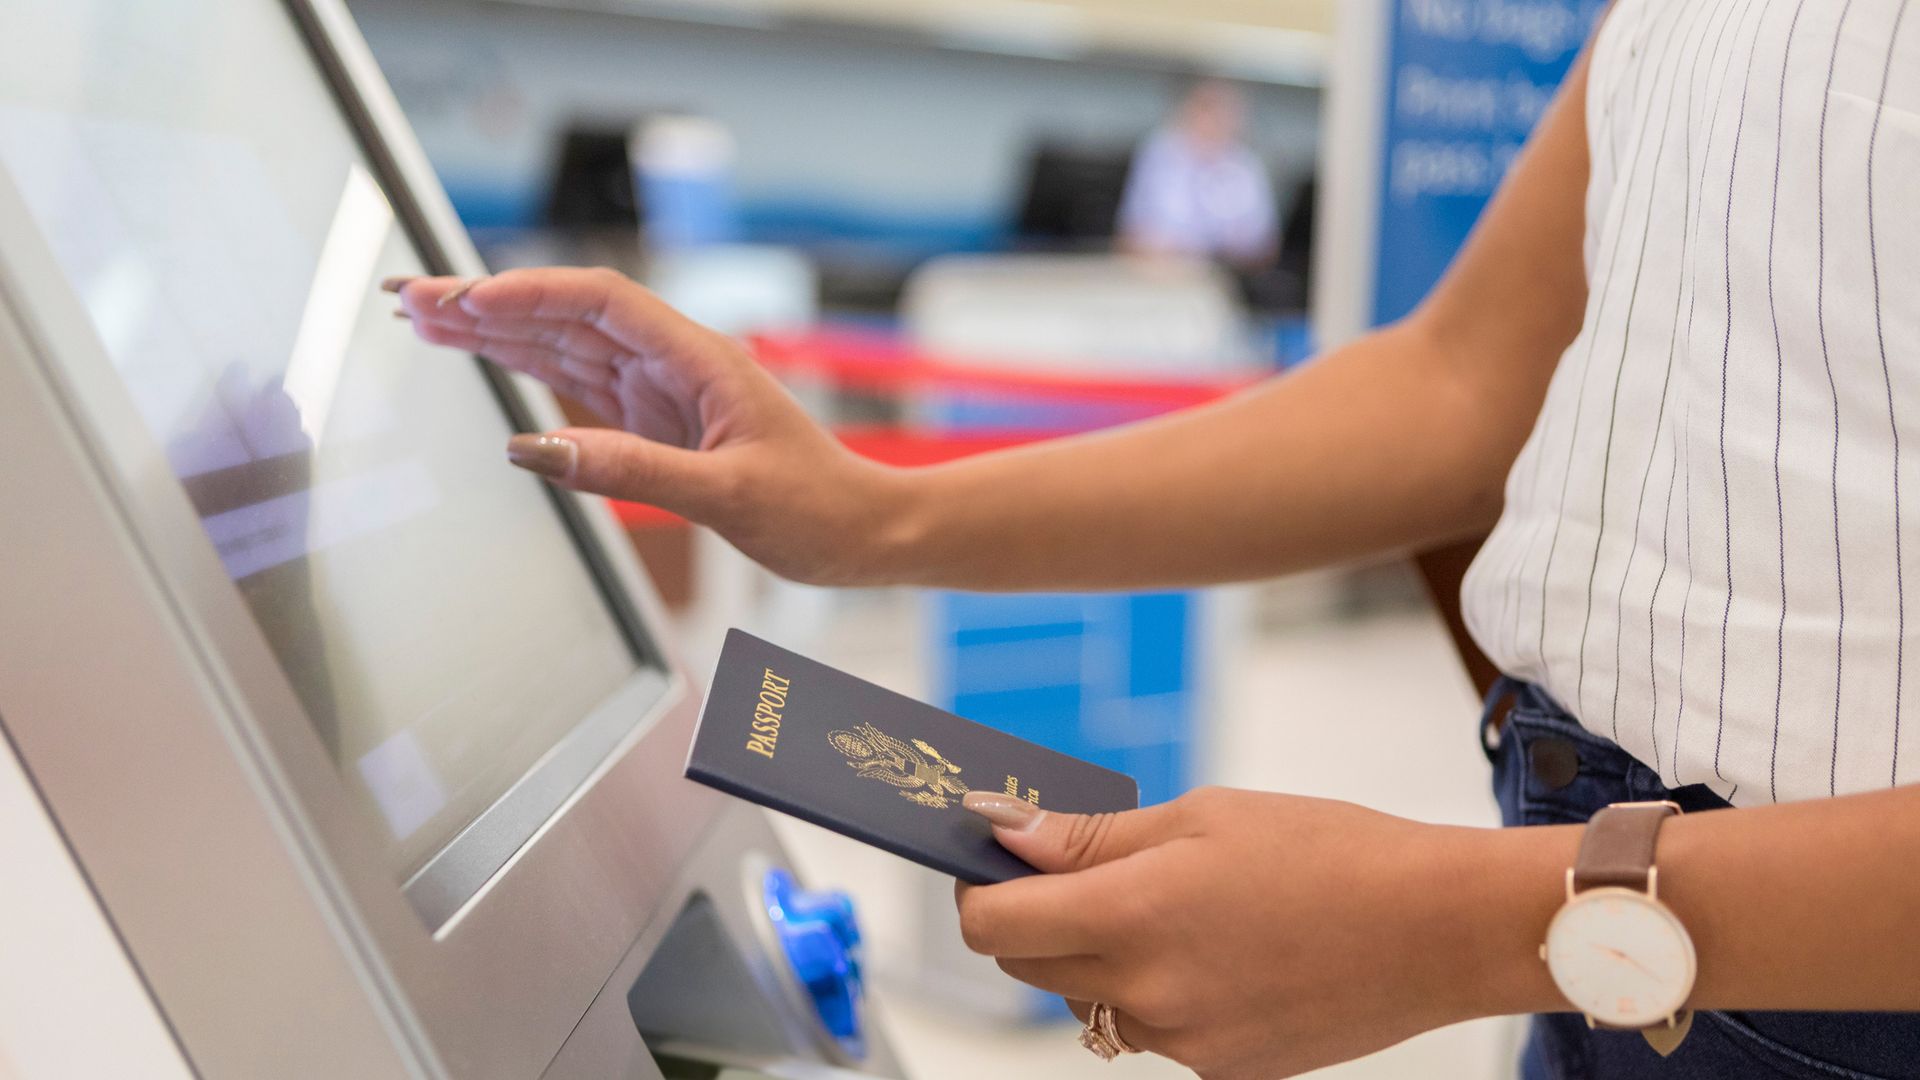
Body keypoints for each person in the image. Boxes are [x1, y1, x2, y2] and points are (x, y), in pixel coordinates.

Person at [387, 0, 1920, 1074]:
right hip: (1612, 950)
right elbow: (1464, 384)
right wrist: (872, 514)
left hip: (1799, 980)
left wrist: (1460, 928)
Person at [1117, 80, 1279, 270]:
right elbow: (1128, 237)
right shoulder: (1160, 154)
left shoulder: (1246, 165)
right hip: (1166, 274)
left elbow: (1267, 246)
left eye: (1225, 113)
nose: (1214, 122)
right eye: (1207, 109)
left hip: (1231, 276)